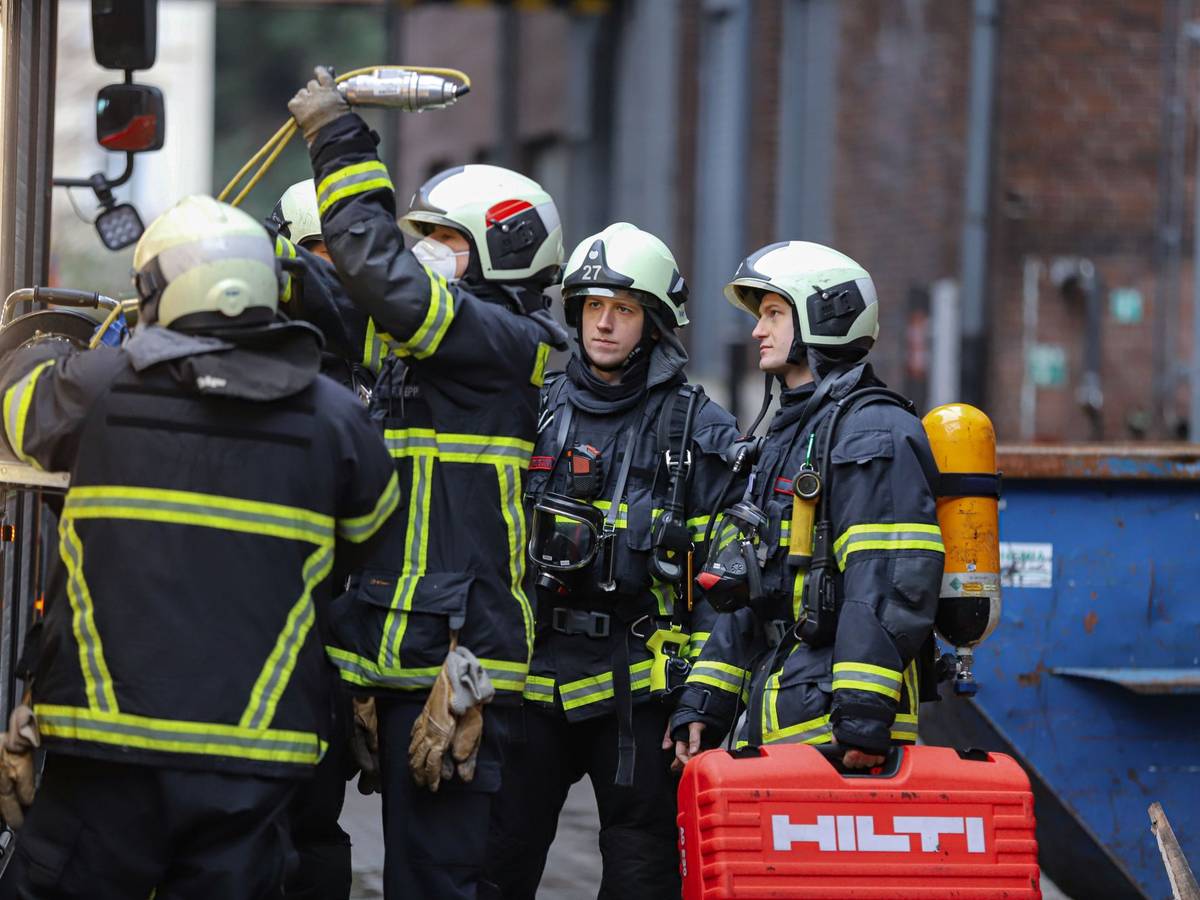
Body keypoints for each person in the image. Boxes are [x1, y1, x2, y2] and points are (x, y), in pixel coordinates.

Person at [0, 195, 400, 899]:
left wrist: (51, 349)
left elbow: (16, 408)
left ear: (158, 291)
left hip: (106, 740)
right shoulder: (336, 418)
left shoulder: (98, 387)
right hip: (255, 752)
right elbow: (370, 541)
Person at [288, 67, 569, 899]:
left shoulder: (498, 342)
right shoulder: (428, 351)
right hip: (401, 656)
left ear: (497, 249)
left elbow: (381, 276)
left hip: (455, 664)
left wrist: (338, 140)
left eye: (443, 241)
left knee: (442, 884)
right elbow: (338, 287)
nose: (422, 254)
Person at [486, 223, 740, 898]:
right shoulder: (532, 405)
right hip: (532, 682)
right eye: (593, 306)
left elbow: (728, 582)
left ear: (653, 322)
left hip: (640, 689)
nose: (603, 323)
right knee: (494, 863)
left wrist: (702, 699)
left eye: (623, 310)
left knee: (643, 874)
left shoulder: (698, 429)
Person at [670, 241, 944, 770]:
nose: (757, 330)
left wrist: (864, 719)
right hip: (789, 720)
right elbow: (756, 586)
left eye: (773, 313)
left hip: (843, 736)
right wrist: (705, 701)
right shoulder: (789, 436)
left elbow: (887, 580)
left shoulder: (872, 431)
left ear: (824, 318)